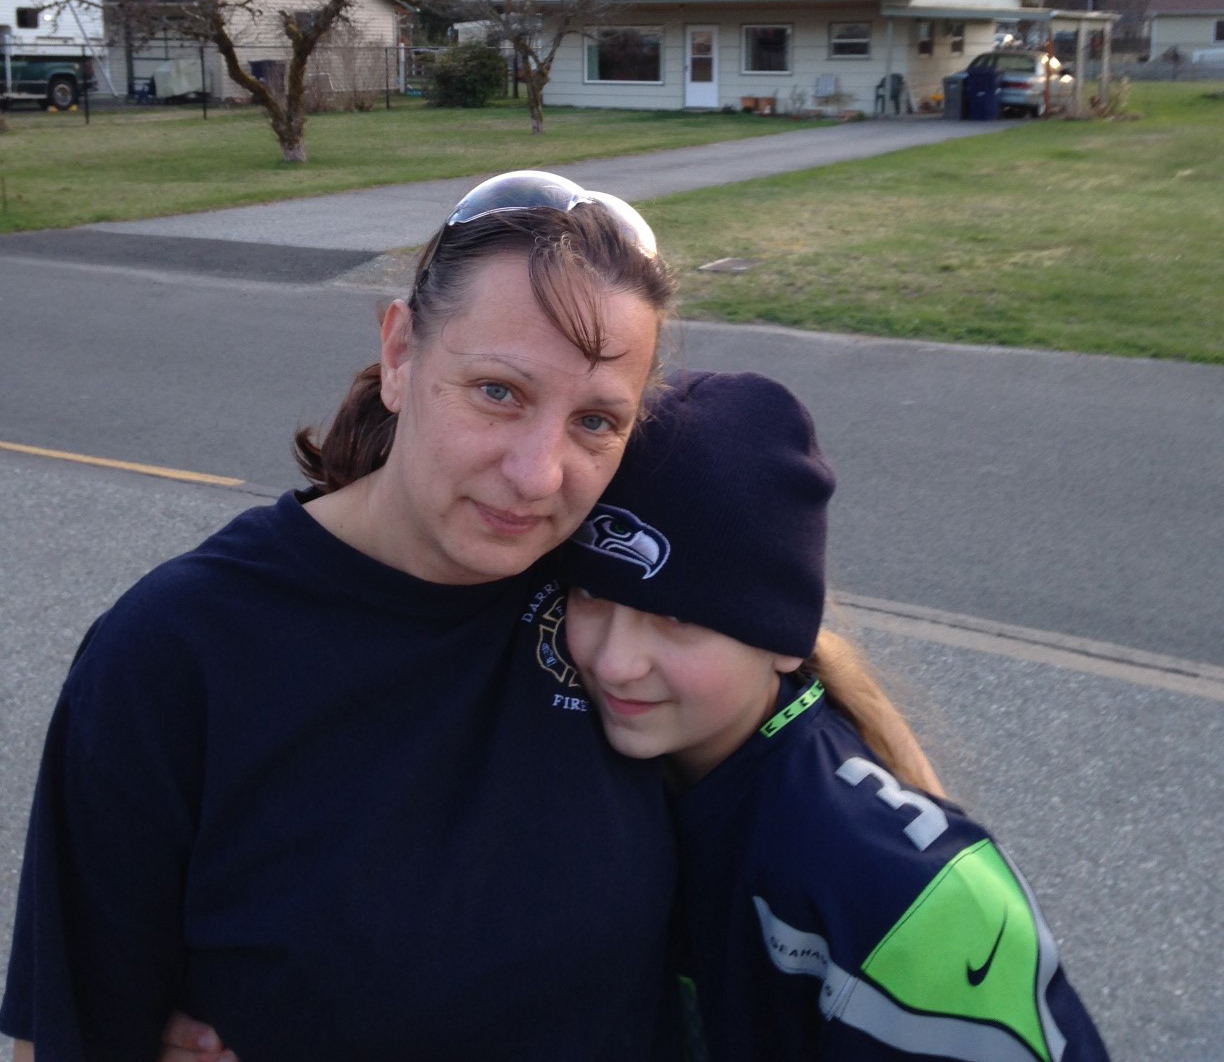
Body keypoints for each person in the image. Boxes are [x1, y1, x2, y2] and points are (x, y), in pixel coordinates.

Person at [0, 171, 682, 1060]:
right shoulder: (178, 651)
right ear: (400, 355)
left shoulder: (628, 613)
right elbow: (69, 1031)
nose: (539, 476)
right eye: (498, 393)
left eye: (596, 420)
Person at [559, 370, 1112, 1061]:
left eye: (675, 617)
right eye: (589, 592)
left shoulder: (903, 897)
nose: (613, 662)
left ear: (780, 638)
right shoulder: (592, 752)